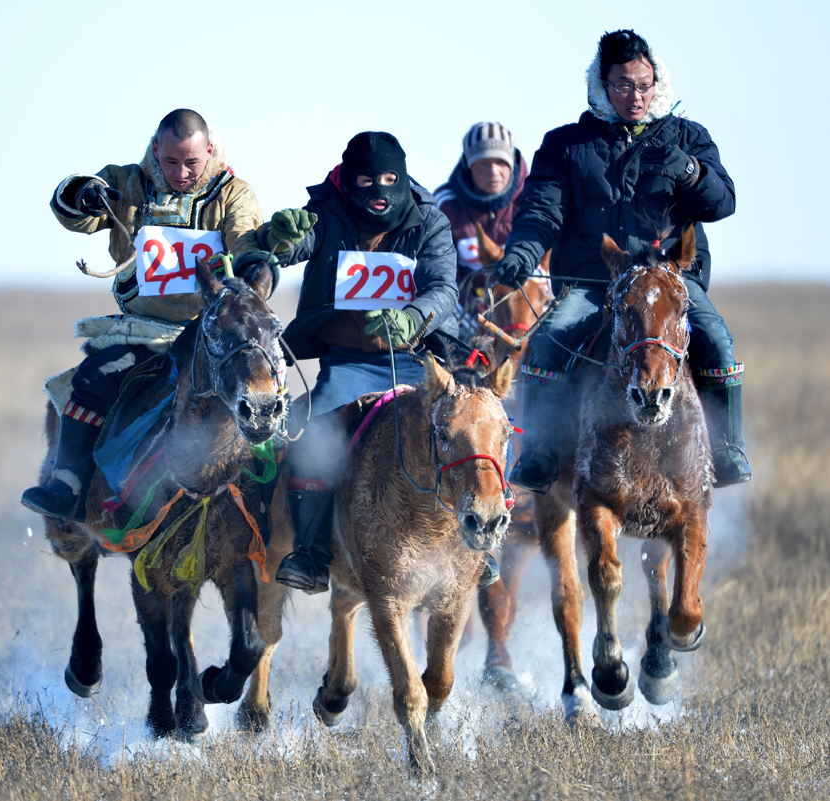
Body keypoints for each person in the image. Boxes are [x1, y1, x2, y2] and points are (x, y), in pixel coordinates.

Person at [237, 131, 500, 594]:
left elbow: (442, 287)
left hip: (423, 363)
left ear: (401, 176)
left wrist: (412, 317)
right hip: (349, 365)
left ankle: (481, 547)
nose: (378, 192)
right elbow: (282, 253)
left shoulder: (430, 222)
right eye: (365, 180)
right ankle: (313, 552)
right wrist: (276, 239)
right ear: (347, 179)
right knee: (315, 435)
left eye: (388, 179)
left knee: (476, 428)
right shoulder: (326, 213)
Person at [495, 29, 751, 493]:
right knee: (551, 340)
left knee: (715, 337)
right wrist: (521, 253)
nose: (635, 95)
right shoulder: (565, 145)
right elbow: (540, 212)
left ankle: (726, 449)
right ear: (601, 84)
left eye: (643, 84)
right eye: (623, 85)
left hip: (671, 281)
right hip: (597, 282)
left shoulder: (688, 137)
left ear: (657, 84)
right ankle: (539, 453)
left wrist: (691, 172)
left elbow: (723, 203)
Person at [22, 109, 264, 521]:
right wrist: (82, 195)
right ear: (155, 149)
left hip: (208, 334)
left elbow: (245, 243)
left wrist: (252, 266)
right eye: (171, 162)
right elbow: (74, 215)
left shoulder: (234, 194)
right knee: (93, 378)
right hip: (141, 332)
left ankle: (264, 506)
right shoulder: (126, 183)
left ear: (210, 150)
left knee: (258, 394)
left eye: (192, 162)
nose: (182, 172)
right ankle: (68, 484)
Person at [435, 122, 531, 298]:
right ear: (468, 165)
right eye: (484, 162)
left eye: (501, 162)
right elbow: (440, 277)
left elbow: (547, 271)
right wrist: (473, 317)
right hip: (467, 309)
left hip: (527, 306)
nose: (493, 171)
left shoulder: (533, 199)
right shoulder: (445, 204)